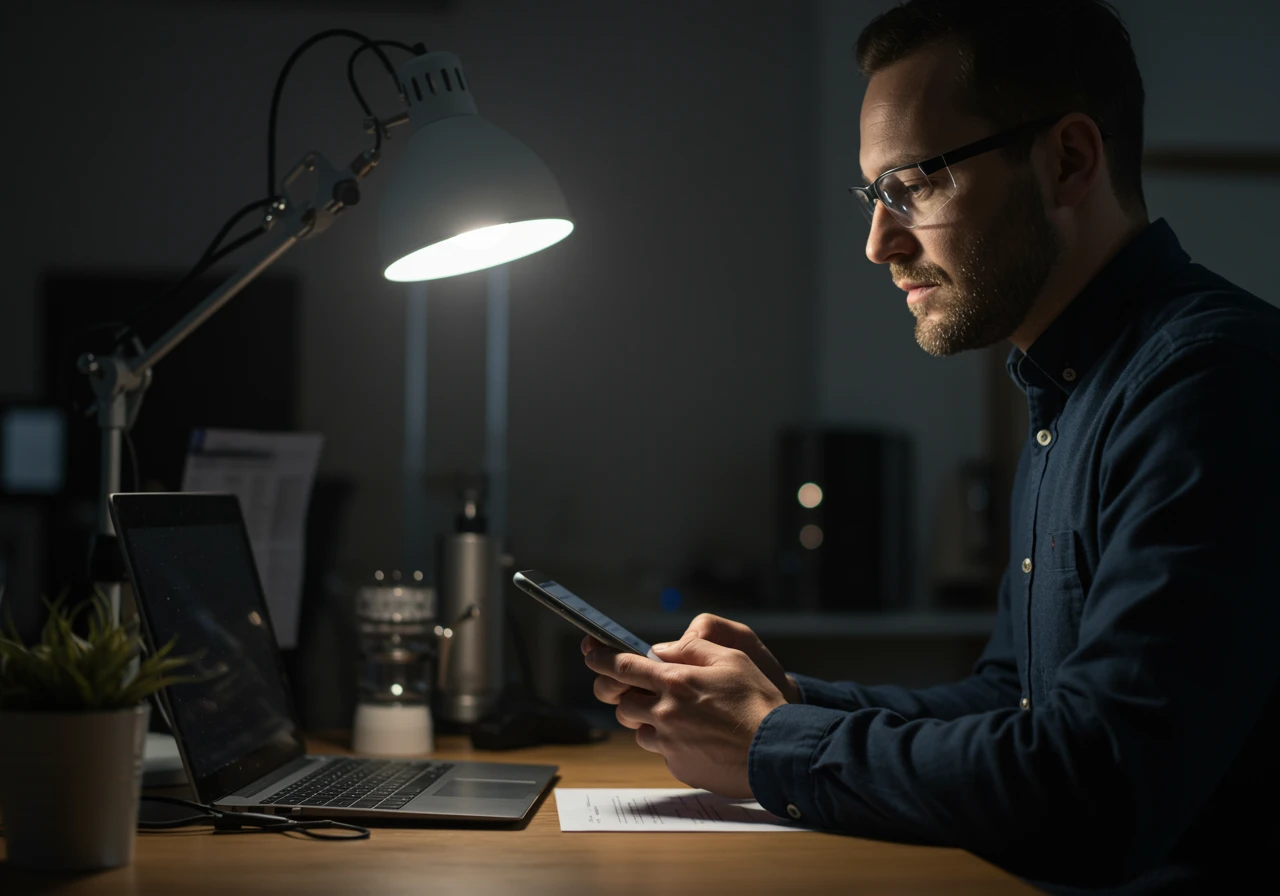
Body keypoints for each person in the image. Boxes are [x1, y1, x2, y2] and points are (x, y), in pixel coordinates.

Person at [581, 1, 1280, 892]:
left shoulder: (1209, 384)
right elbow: (1012, 702)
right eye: (874, 195)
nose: (878, 242)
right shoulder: (1071, 384)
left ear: (1068, 159)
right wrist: (785, 699)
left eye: (913, 185)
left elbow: (1095, 788)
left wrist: (770, 742)